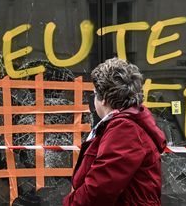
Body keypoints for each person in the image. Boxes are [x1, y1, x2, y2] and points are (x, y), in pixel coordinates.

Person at [63, 57, 167, 206]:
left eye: (94, 94)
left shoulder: (125, 129)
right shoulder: (125, 124)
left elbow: (99, 190)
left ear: (103, 98)